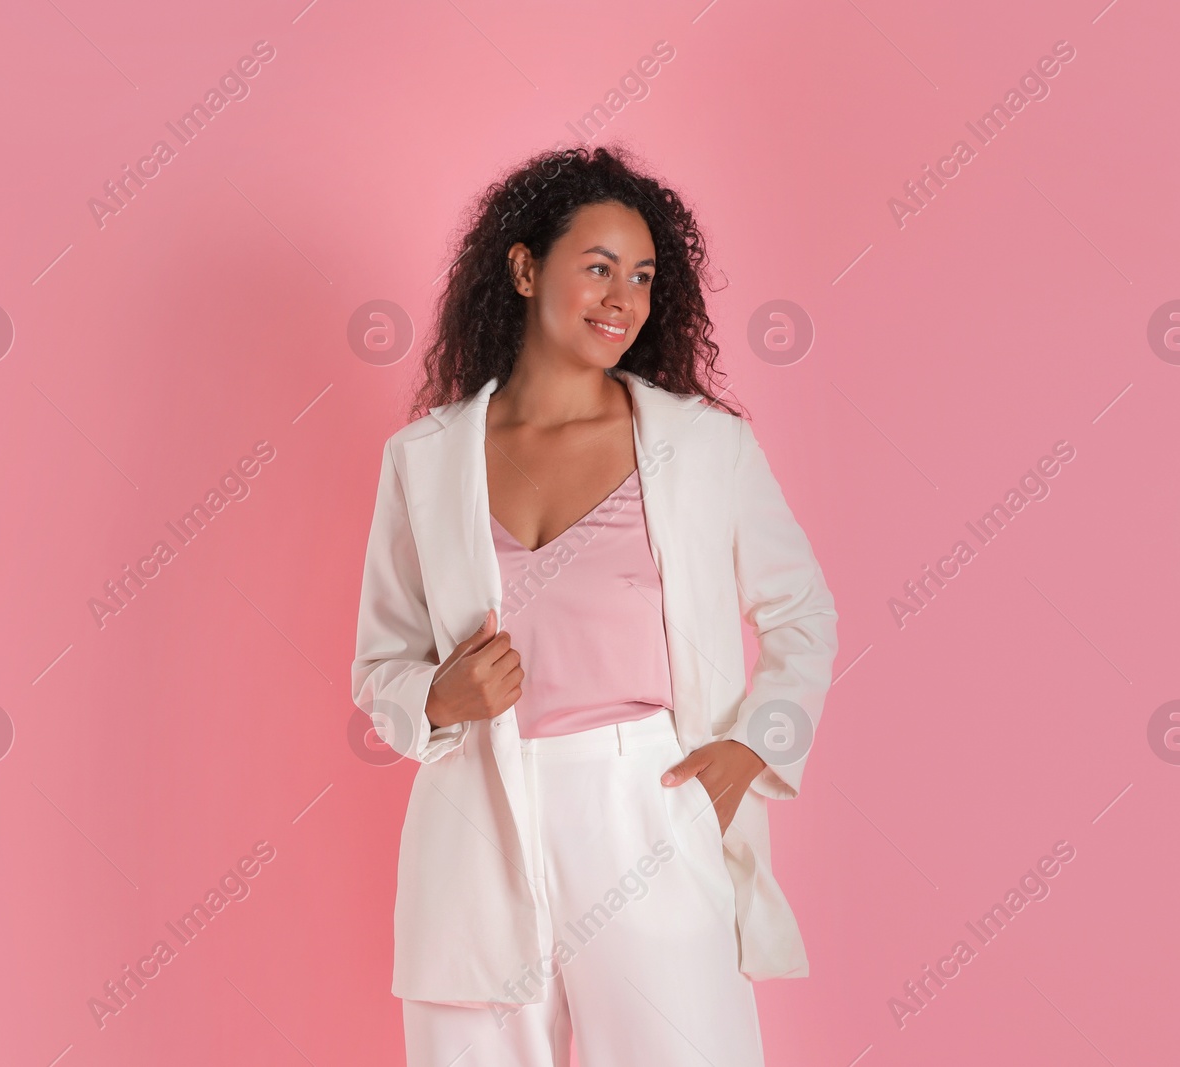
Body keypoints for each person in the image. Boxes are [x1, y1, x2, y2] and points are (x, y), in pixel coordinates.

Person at [352, 143, 839, 1067]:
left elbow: (803, 614)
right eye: (599, 267)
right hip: (475, 814)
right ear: (527, 268)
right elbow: (380, 661)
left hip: (647, 802)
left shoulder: (700, 447)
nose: (623, 297)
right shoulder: (424, 458)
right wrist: (434, 703)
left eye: (644, 277)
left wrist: (753, 749)